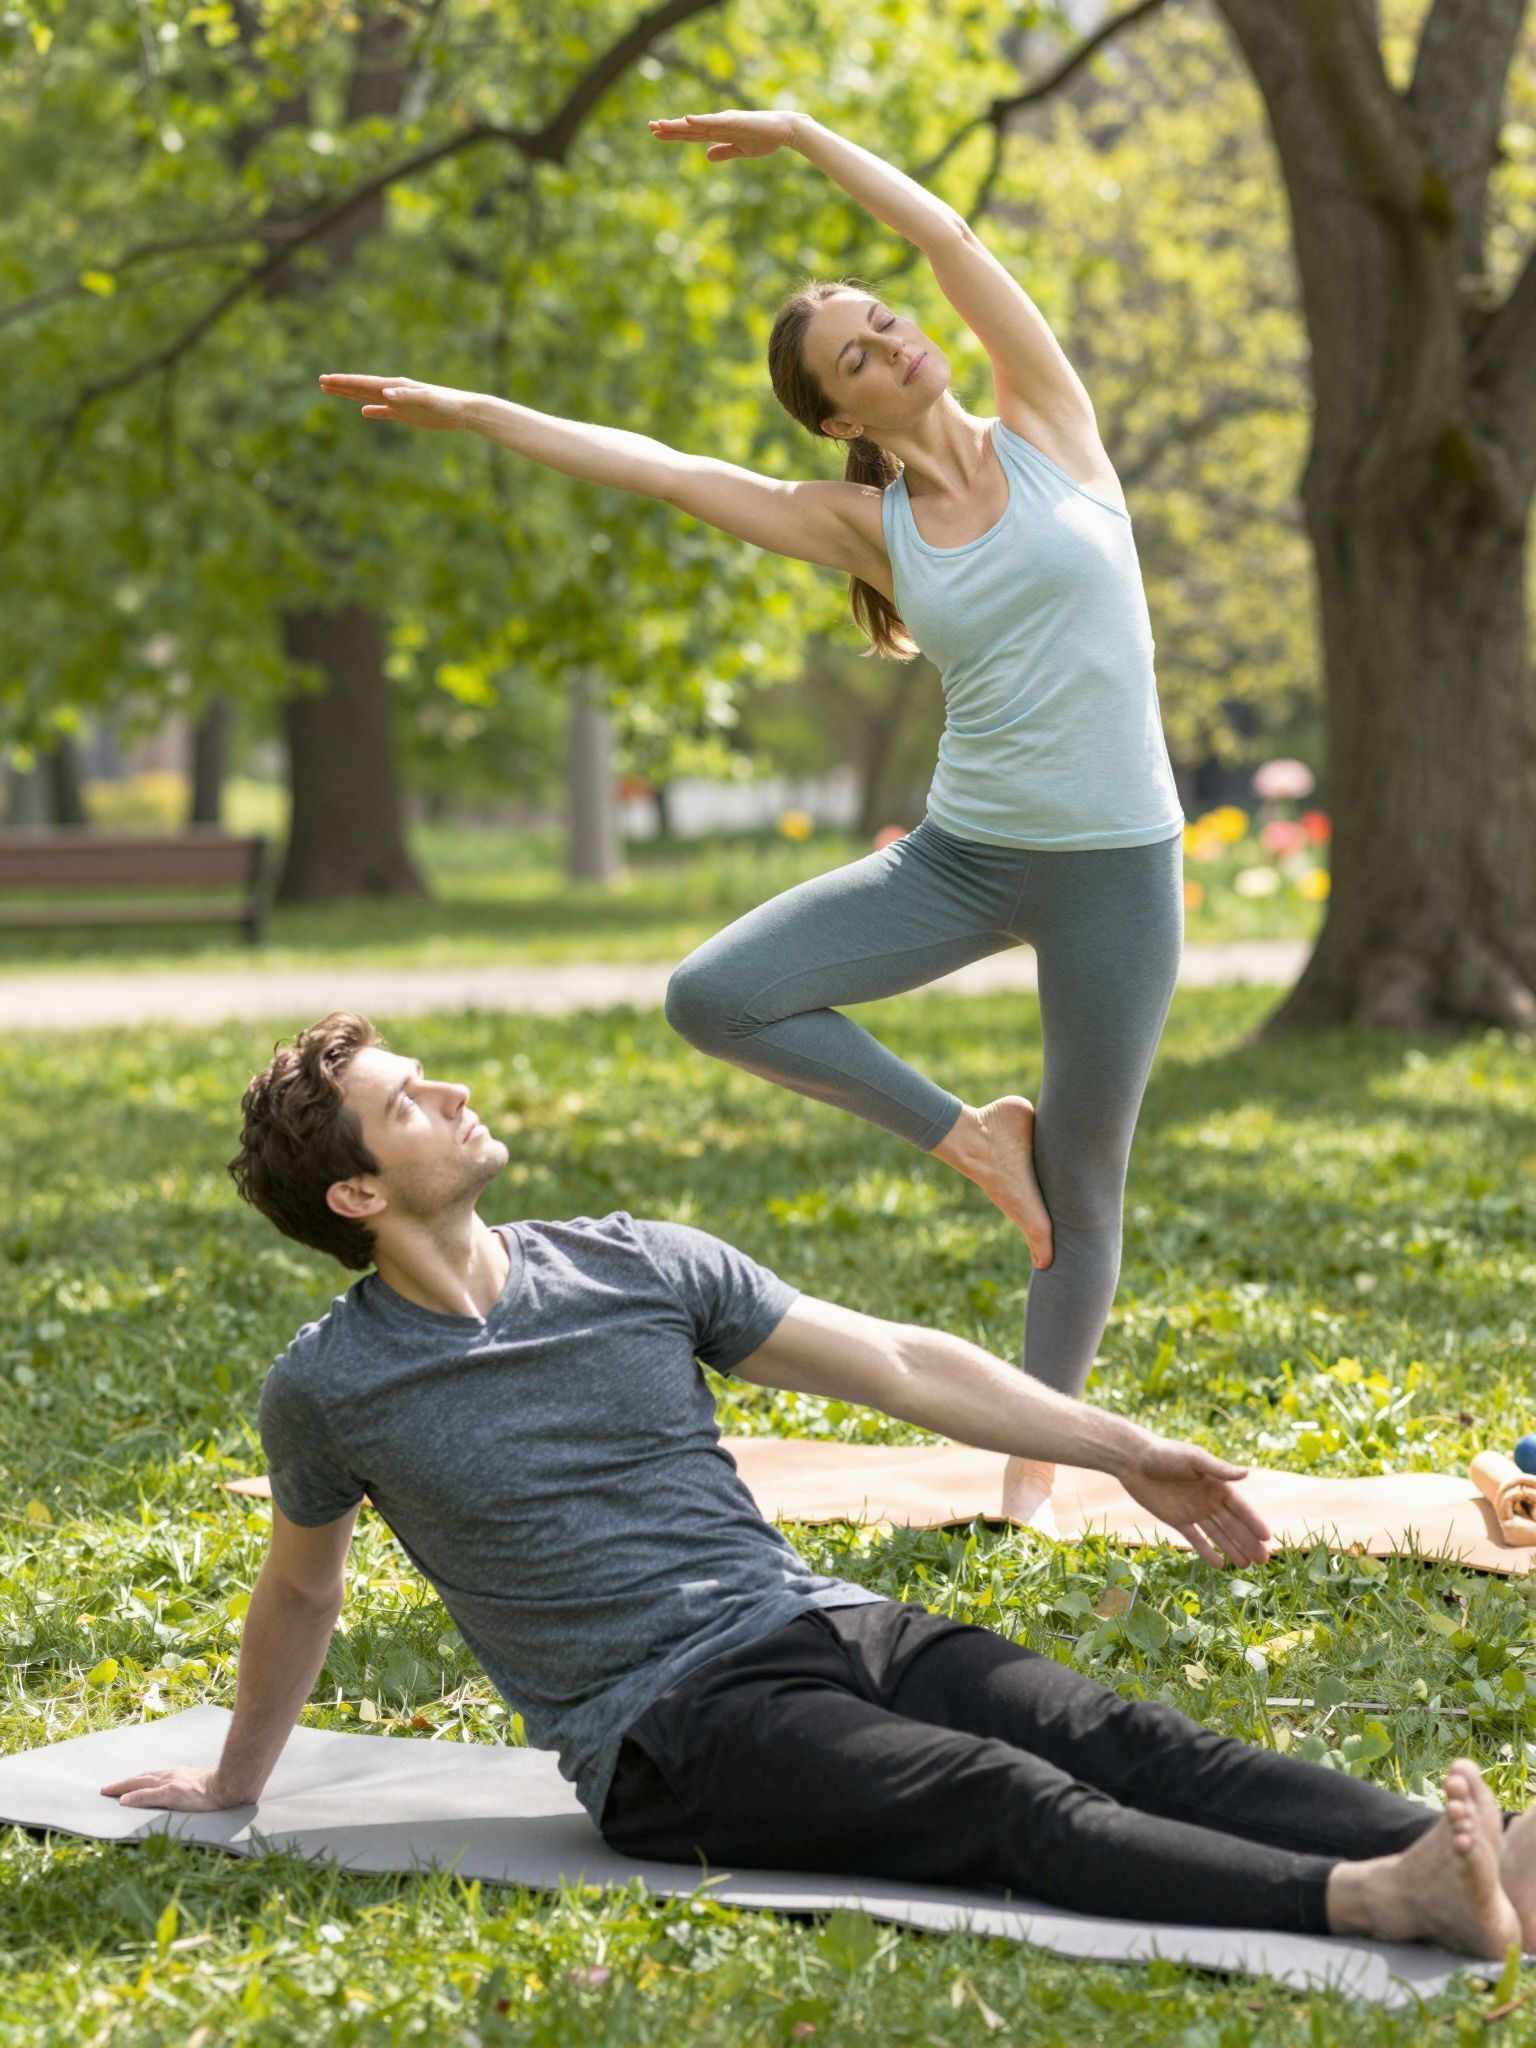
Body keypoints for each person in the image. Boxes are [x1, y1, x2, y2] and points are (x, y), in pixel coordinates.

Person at [103, 1018, 1536, 1960]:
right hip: (668, 1731)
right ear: (357, 1195)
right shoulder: (332, 1386)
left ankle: (1459, 1858)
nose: (455, 1090)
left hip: (826, 1622)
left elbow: (902, 1360)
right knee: (996, 1798)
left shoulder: (635, 1262)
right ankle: (1377, 1899)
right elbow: (304, 1582)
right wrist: (240, 1778)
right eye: (408, 1101)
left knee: (1125, 1736)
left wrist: (1126, 1449)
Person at [316, 108, 1187, 1529]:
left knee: (1084, 1187)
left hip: (1120, 872)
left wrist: (804, 134)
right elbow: (659, 468)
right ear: (840, 419)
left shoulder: (1052, 427)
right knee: (716, 994)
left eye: (888, 324)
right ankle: (971, 1140)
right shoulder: (867, 528)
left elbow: (946, 237)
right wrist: (477, 413)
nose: (897, 343)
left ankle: (1031, 1478)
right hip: (963, 858)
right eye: (857, 357)